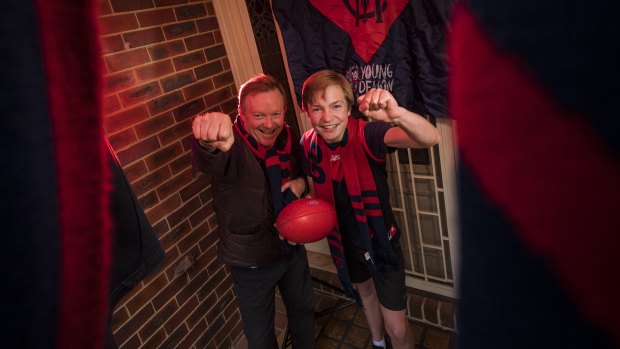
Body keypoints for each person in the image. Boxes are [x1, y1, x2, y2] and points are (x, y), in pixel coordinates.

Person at [299, 70, 440, 349]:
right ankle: (378, 343)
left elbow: (430, 137)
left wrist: (397, 114)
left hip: (380, 244)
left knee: (398, 330)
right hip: (345, 244)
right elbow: (317, 188)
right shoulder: (308, 143)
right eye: (317, 108)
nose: (327, 118)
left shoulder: (367, 133)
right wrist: (300, 196)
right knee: (366, 297)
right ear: (307, 112)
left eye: (336, 106)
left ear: (349, 108)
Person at [191, 74, 315, 349]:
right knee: (260, 338)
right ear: (242, 115)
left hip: (291, 250)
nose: (269, 124)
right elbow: (210, 155)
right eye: (259, 115)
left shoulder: (289, 136)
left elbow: (303, 174)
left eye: (275, 114)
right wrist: (208, 142)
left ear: (284, 111)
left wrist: (301, 182)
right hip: (251, 260)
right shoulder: (231, 145)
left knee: (304, 315)